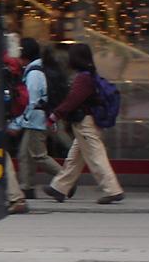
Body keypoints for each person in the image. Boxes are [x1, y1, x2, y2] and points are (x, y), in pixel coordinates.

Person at [43, 42, 125, 205]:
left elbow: (72, 100)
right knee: (74, 159)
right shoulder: (89, 75)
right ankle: (59, 188)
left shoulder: (83, 78)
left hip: (85, 124)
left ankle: (113, 190)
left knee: (96, 157)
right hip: (87, 123)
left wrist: (55, 115)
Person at [14, 37, 60, 198]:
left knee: (38, 155)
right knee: (25, 154)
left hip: (36, 121)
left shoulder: (33, 73)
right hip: (35, 120)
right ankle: (27, 187)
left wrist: (19, 122)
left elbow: (31, 101)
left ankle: (65, 179)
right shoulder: (36, 69)